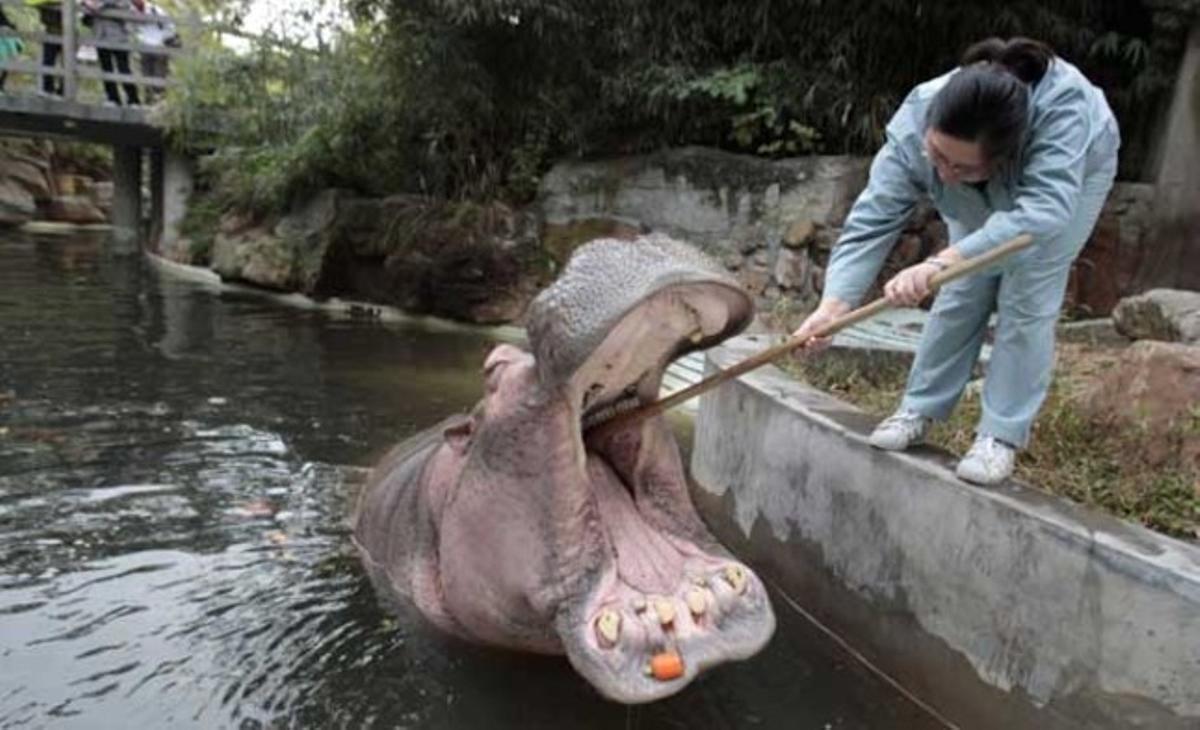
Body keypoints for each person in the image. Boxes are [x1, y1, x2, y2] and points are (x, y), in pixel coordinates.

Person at [790, 37, 1119, 485]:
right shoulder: (918, 119)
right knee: (963, 286)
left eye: (960, 169)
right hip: (988, 173)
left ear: (1004, 158)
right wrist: (834, 305)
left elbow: (1045, 209)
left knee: (1027, 293)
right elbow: (873, 217)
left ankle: (999, 435)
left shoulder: (1064, 113)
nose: (944, 175)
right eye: (937, 157)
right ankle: (920, 408)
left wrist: (943, 260)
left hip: (1071, 183)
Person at [83, 0, 140, 105]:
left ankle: (133, 99)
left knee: (124, 68)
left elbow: (125, 6)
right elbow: (86, 13)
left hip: (118, 36)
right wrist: (88, 5)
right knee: (106, 68)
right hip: (100, 35)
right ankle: (112, 98)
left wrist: (102, 5)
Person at [131, 0, 176, 102]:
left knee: (159, 76)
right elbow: (132, 29)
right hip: (144, 47)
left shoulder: (155, 10)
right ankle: (149, 103)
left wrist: (163, 40)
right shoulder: (131, 11)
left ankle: (160, 104)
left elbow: (171, 26)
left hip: (159, 46)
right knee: (146, 76)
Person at [26, 0, 62, 95]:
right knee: (48, 60)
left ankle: (63, 91)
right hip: (51, 31)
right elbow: (29, 1)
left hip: (67, 32)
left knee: (67, 63)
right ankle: (47, 89)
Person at [0, 6, 24, 93]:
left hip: (4, 32)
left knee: (7, 59)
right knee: (7, 59)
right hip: (5, 31)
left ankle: (1, 85)